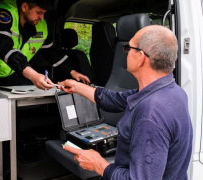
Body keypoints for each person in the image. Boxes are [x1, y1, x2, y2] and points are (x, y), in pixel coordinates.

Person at [58, 25, 193, 179]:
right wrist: (77, 86)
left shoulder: (150, 113)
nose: (126, 52)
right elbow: (116, 100)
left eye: (128, 48)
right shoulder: (171, 91)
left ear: (141, 57)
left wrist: (99, 164)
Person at [0, 0, 90, 133]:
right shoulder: (3, 13)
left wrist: (72, 71)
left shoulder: (41, 26)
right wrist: (33, 75)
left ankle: (12, 148)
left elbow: (52, 52)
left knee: (10, 119)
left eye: (44, 13)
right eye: (38, 12)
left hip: (10, 74)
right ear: (24, 7)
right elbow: (3, 46)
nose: (42, 17)